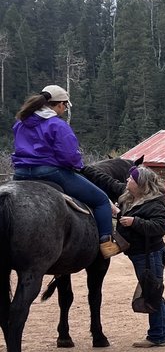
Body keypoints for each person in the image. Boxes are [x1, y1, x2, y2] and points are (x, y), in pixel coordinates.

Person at [11, 85, 120, 258]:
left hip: (20, 174)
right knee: (100, 200)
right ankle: (106, 244)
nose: (64, 109)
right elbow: (69, 156)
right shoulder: (57, 125)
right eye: (65, 106)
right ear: (60, 104)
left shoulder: (20, 122)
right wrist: (77, 165)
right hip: (50, 173)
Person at [113, 166, 165, 347]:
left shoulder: (154, 203)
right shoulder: (133, 199)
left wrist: (135, 222)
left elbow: (160, 227)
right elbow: (108, 182)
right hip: (142, 254)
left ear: (141, 184)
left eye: (131, 179)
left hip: (150, 254)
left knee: (151, 292)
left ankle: (157, 336)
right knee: (154, 290)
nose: (127, 181)